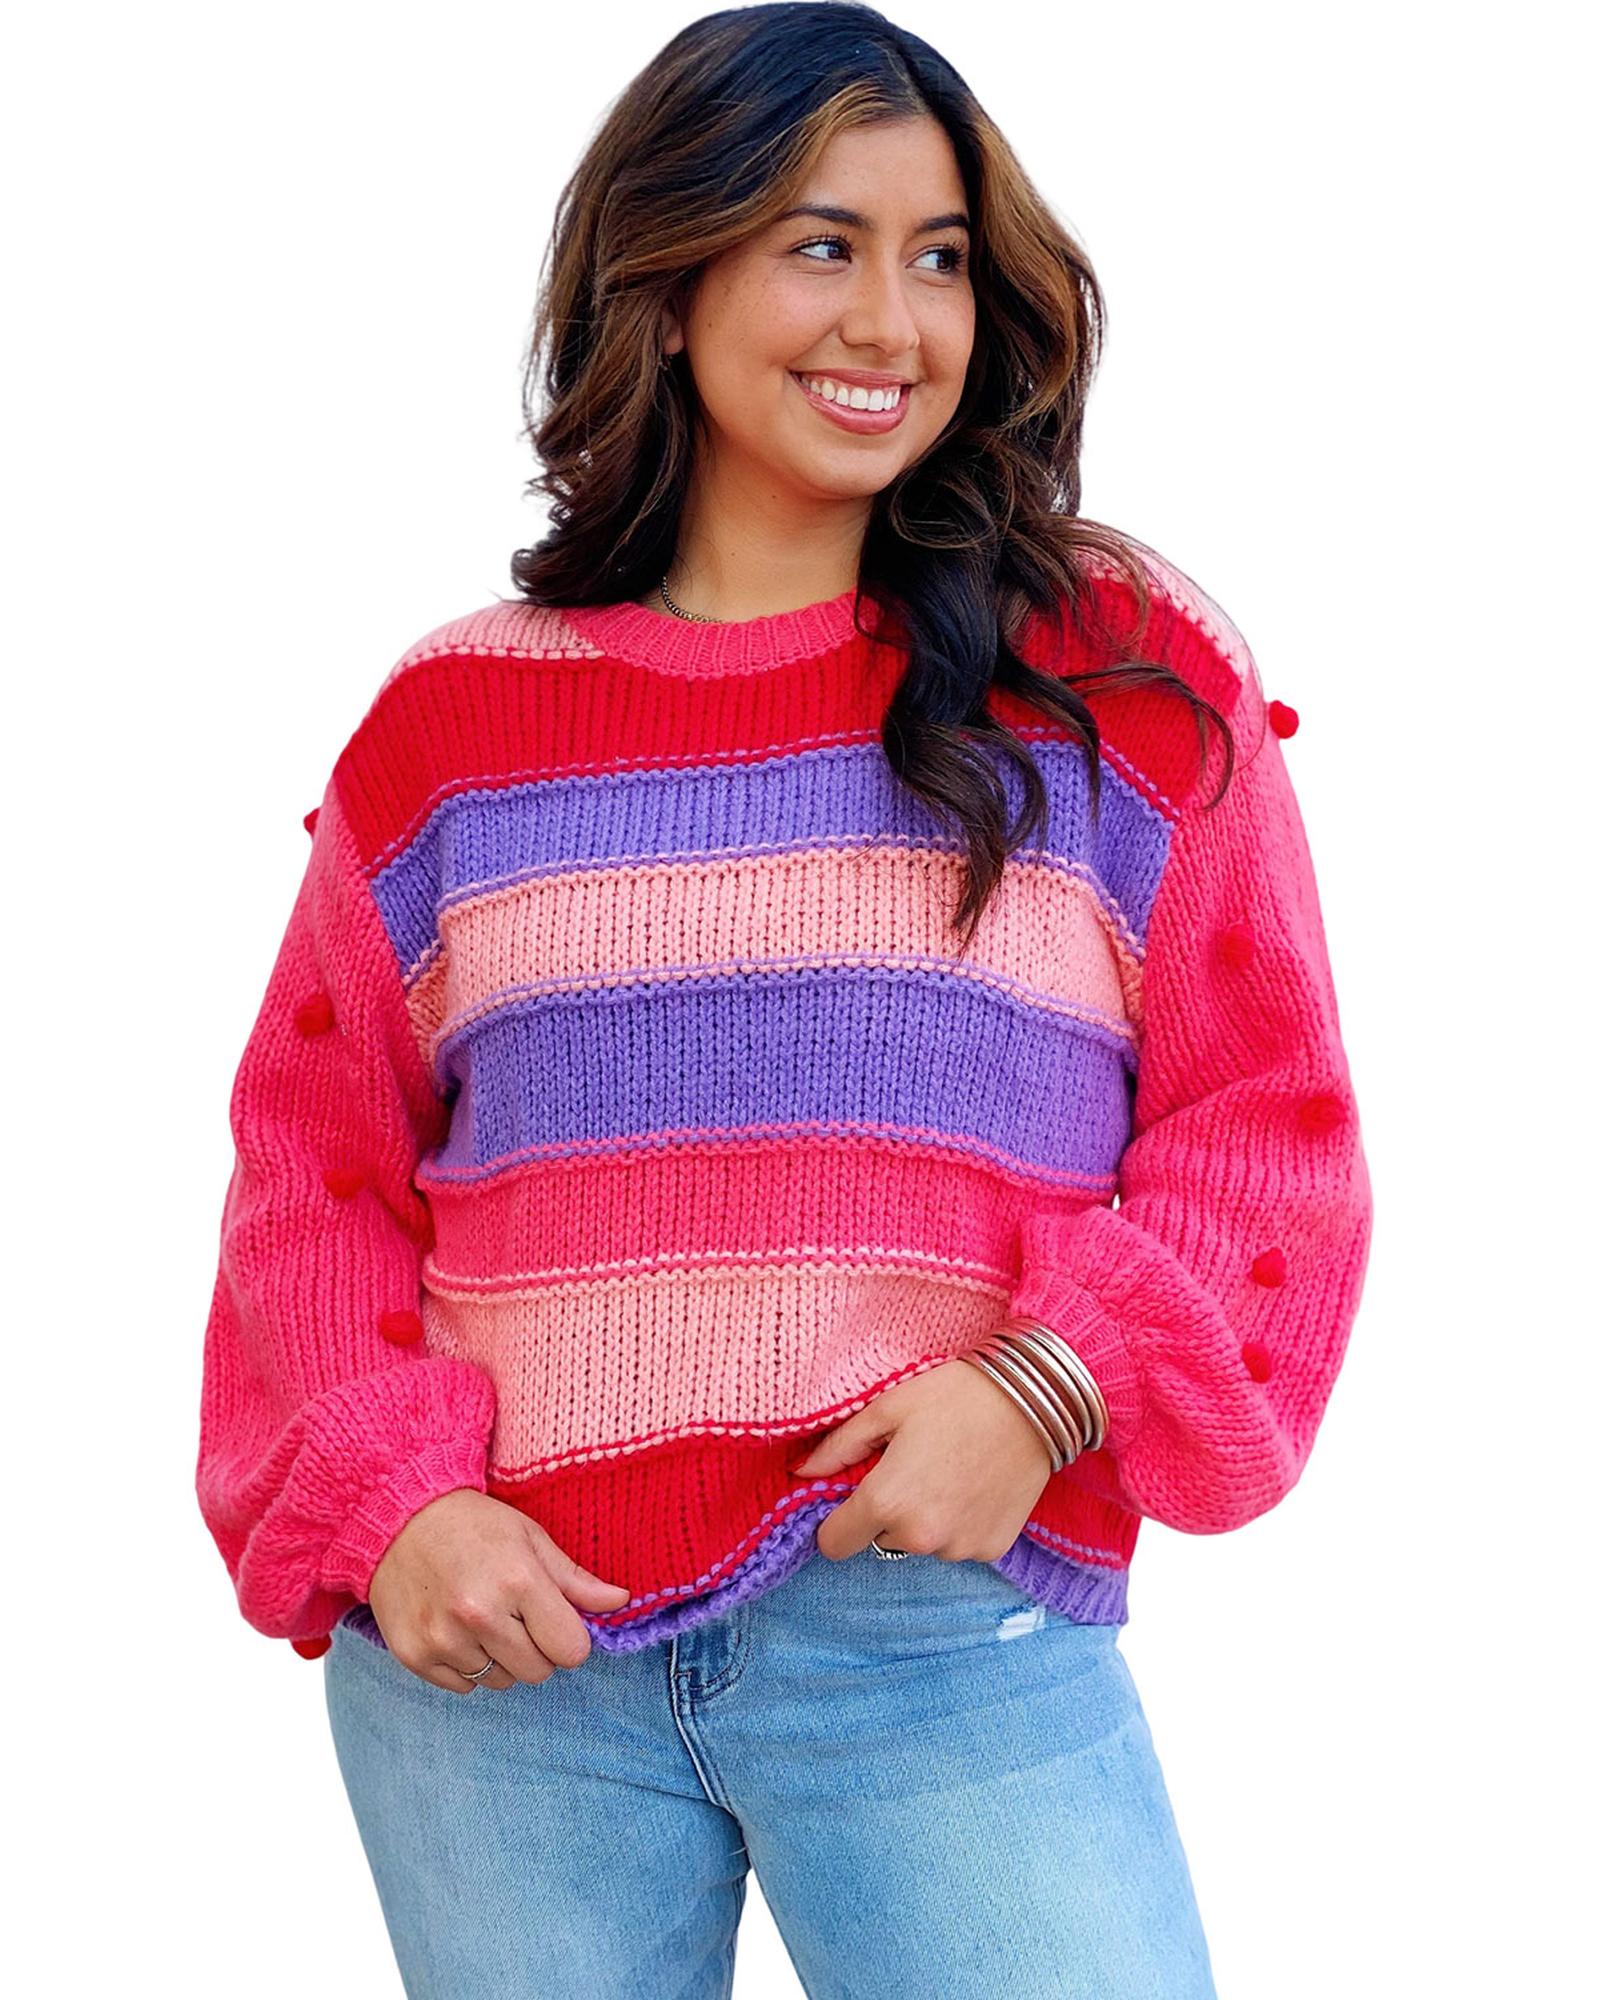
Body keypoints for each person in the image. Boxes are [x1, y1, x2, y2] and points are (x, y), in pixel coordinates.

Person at [194, 7, 1374, 1995]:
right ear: (666, 287)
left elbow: (1268, 1131)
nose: (891, 322)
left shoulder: (1112, 674)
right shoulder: (452, 724)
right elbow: (311, 1173)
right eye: (822, 244)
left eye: (940, 257)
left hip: (928, 1615)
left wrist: (1046, 1389)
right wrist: (399, 1511)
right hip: (500, 1665)